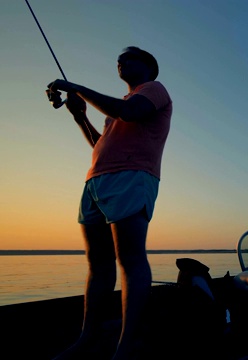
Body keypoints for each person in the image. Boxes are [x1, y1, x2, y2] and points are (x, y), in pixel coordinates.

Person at [48, 46, 172, 360]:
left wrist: (77, 87)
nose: (121, 62)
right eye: (119, 59)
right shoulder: (116, 109)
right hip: (95, 182)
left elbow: (129, 113)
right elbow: (98, 143)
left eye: (129, 58)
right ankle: (87, 339)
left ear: (148, 66)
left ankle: (125, 348)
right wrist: (80, 116)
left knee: (130, 261)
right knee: (98, 265)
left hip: (132, 176)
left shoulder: (153, 91)